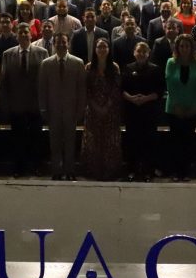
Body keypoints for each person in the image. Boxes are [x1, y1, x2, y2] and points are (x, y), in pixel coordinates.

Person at [0, 22, 48, 177]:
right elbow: (4, 81)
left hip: (35, 104)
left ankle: (36, 166)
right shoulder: (7, 54)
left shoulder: (42, 52)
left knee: (36, 138)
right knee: (18, 139)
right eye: (20, 33)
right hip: (16, 104)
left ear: (31, 34)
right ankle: (19, 168)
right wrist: (6, 104)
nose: (23, 35)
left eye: (26, 32)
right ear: (16, 35)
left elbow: (46, 80)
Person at [38, 32, 86, 181]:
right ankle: (56, 170)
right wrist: (43, 108)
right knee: (55, 142)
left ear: (68, 44)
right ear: (54, 44)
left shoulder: (78, 63)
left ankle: (70, 170)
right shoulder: (46, 64)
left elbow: (81, 89)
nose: (61, 45)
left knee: (70, 141)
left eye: (63, 42)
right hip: (53, 110)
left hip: (71, 110)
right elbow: (42, 89)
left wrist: (80, 109)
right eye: (58, 42)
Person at [165, 34, 196, 181]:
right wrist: (177, 106)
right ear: (177, 47)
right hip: (174, 109)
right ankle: (176, 171)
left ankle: (187, 171)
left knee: (189, 141)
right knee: (175, 142)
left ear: (191, 47)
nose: (184, 49)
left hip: (192, 109)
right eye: (181, 46)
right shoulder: (171, 62)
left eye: (187, 46)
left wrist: (192, 106)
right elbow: (170, 85)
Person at [81, 38, 122, 181]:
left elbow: (116, 88)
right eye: (99, 47)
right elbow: (86, 89)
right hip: (93, 110)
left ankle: (110, 171)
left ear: (109, 49)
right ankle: (93, 171)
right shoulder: (88, 67)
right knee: (93, 141)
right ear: (95, 49)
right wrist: (95, 106)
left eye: (105, 47)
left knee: (110, 141)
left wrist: (106, 106)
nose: (102, 49)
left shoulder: (114, 67)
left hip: (110, 111)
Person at [122, 41, 163, 182]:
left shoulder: (155, 69)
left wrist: (145, 99)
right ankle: (132, 170)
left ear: (148, 53)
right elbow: (122, 89)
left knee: (149, 142)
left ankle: (148, 171)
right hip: (132, 111)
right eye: (139, 51)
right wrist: (131, 98)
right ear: (134, 52)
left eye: (144, 52)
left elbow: (159, 91)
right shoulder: (128, 68)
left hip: (149, 111)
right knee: (132, 141)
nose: (141, 54)